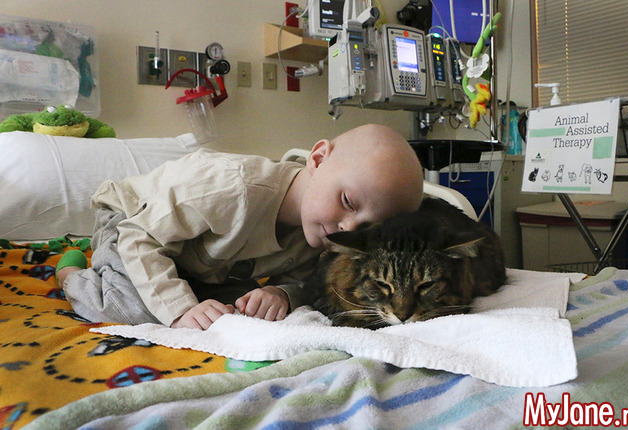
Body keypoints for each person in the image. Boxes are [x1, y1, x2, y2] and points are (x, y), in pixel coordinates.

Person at [55, 124, 424, 330]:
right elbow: (140, 236)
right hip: (132, 220)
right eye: (347, 201)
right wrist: (181, 311)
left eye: (367, 228)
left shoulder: (323, 233)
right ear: (317, 159)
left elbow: (304, 282)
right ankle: (71, 272)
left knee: (239, 312)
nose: (348, 228)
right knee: (135, 310)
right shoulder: (232, 188)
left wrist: (281, 293)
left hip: (204, 261)